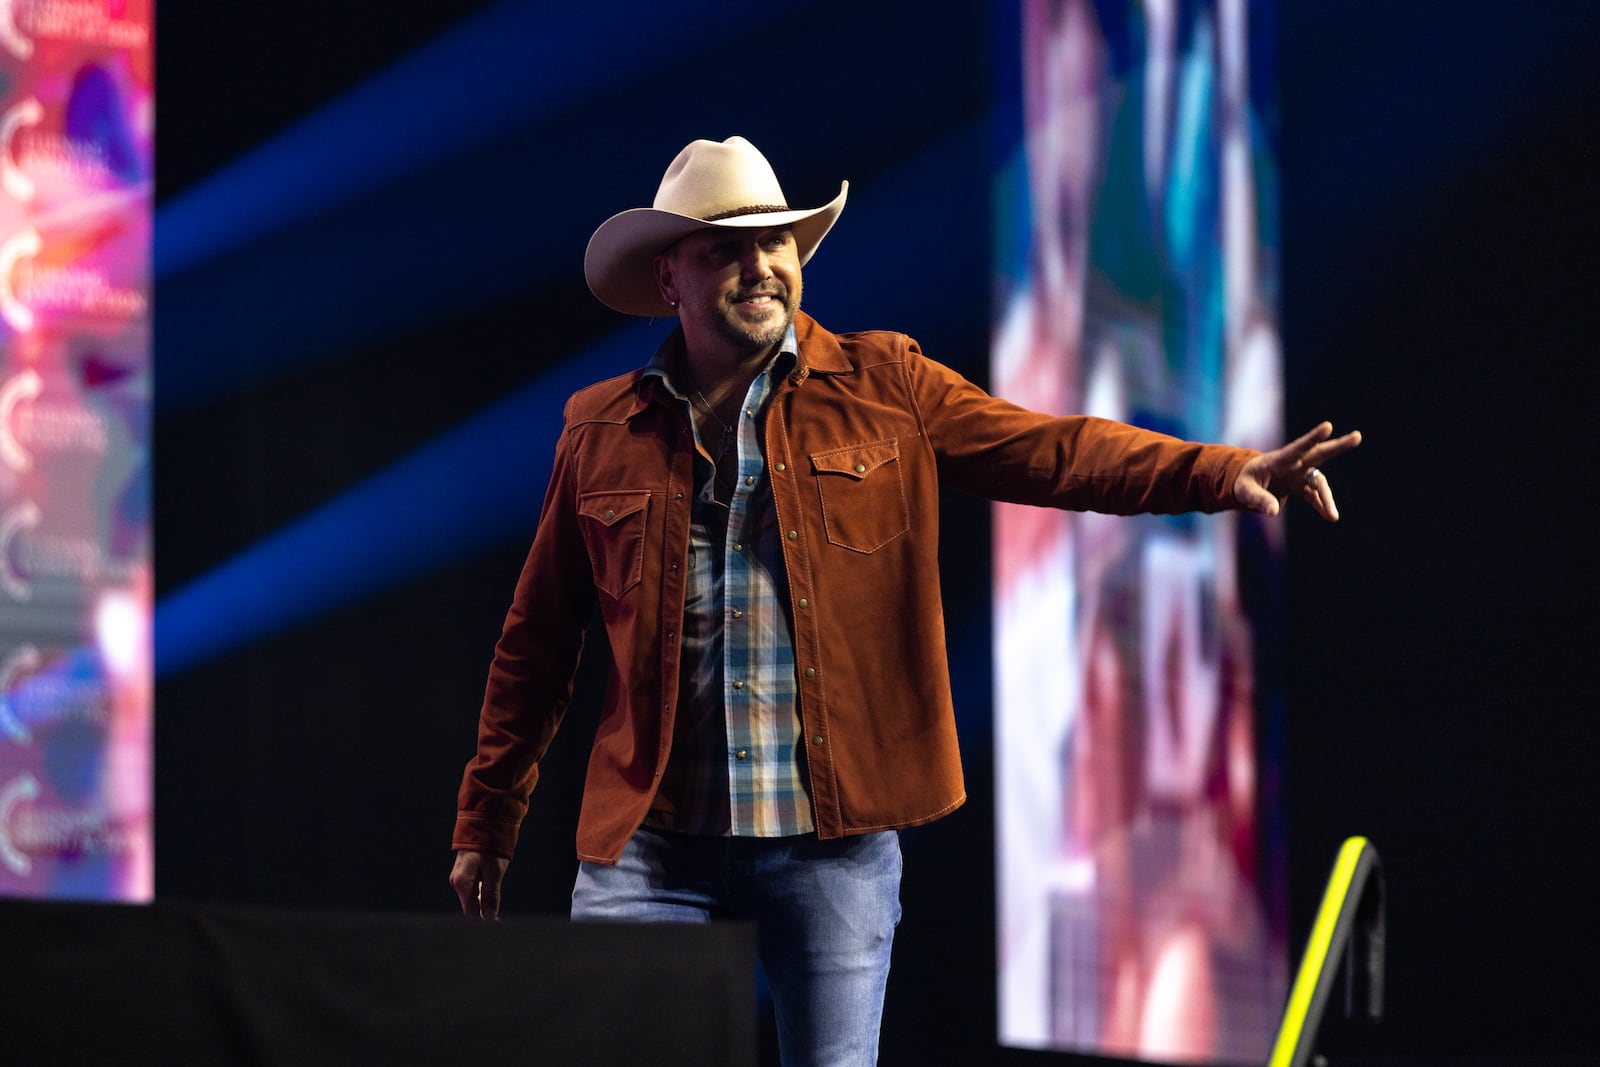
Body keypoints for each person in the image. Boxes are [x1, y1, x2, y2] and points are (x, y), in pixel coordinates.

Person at [449, 135, 1359, 1066]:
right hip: (648, 844)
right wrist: (487, 820)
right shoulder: (600, 429)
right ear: (670, 274)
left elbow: (1059, 451)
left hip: (830, 844)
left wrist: (1226, 470)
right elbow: (538, 639)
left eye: (777, 243)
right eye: (726, 247)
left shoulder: (887, 387)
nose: (760, 266)